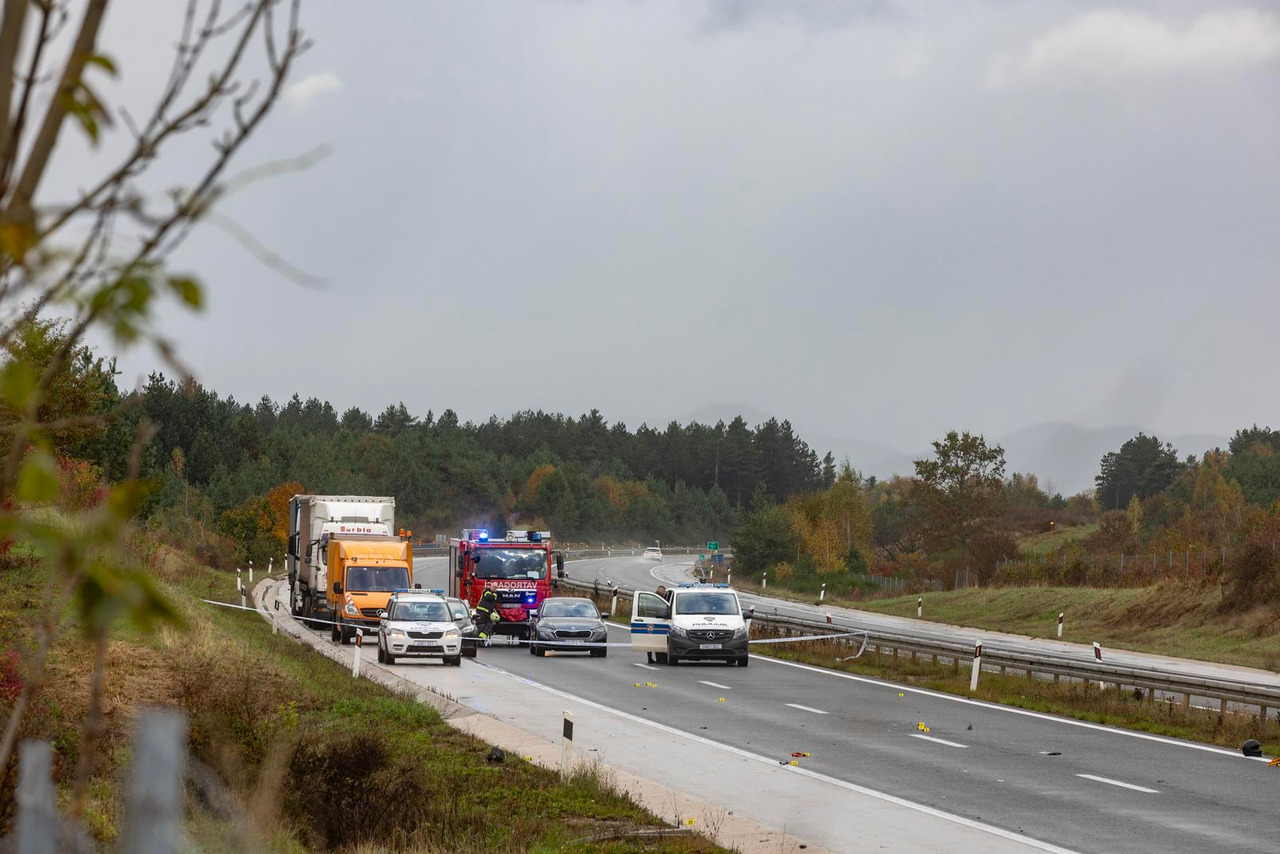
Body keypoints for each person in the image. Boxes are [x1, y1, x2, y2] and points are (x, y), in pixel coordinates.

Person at [647, 585, 670, 663]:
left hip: (650, 621)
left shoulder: (651, 598)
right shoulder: (660, 600)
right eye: (663, 593)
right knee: (655, 641)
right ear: (663, 593)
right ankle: (652, 658)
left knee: (650, 641)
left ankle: (650, 658)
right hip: (657, 622)